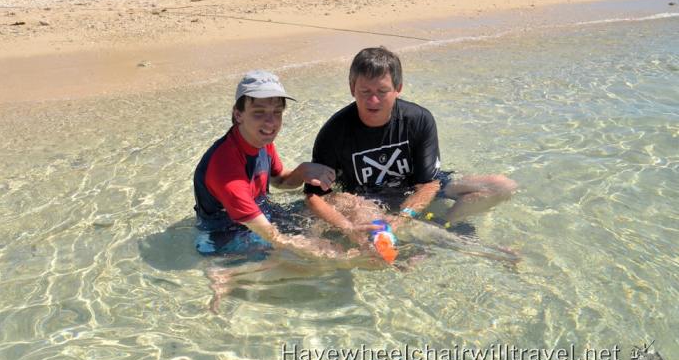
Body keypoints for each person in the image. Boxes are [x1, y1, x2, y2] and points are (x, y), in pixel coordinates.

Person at [304, 47, 516, 240]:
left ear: (398, 88)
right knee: (373, 232)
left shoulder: (419, 119)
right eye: (365, 91)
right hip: (366, 199)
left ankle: (444, 225)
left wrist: (405, 216)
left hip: (415, 188)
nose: (373, 101)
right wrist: (347, 227)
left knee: (501, 186)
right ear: (352, 88)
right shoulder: (334, 132)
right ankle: (424, 238)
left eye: (382, 91)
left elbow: (429, 183)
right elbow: (315, 196)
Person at [194, 70, 352, 260]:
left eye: (277, 112)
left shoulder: (261, 141)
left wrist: (302, 171)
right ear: (238, 114)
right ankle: (224, 271)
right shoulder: (225, 166)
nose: (271, 122)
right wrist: (323, 252)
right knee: (303, 261)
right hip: (228, 234)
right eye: (259, 113)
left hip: (262, 212)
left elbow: (280, 181)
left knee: (337, 203)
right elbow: (271, 235)